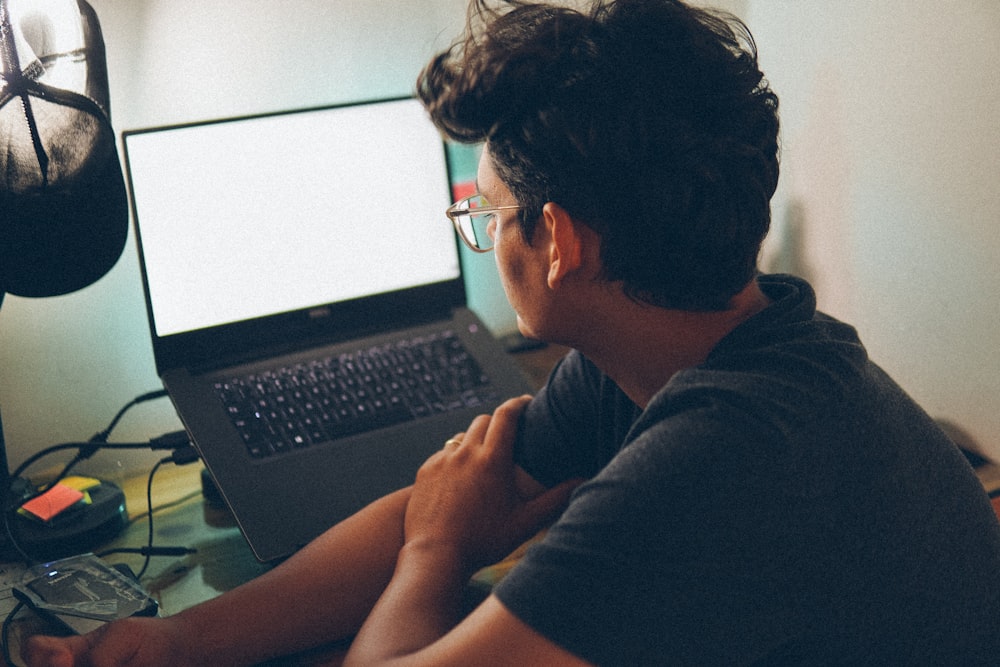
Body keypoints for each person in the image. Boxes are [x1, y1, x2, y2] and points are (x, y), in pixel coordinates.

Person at [23, 0, 1000, 664]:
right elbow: (441, 494)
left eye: (485, 212)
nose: (484, 234)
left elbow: (436, 531)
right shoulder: (717, 342)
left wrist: (438, 559)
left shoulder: (713, 463)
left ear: (559, 240)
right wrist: (179, 645)